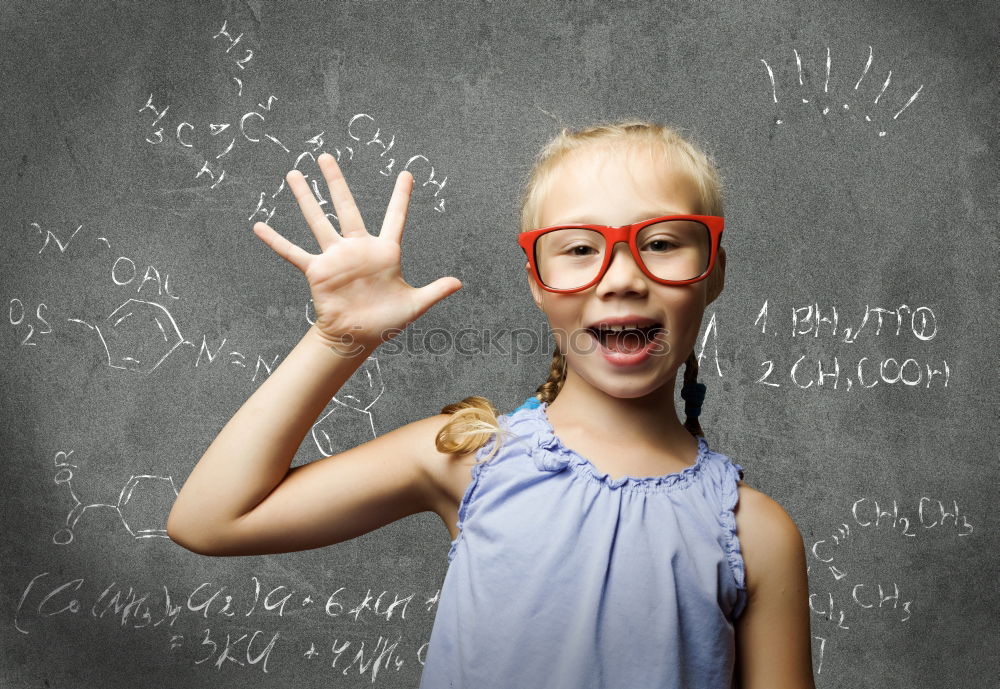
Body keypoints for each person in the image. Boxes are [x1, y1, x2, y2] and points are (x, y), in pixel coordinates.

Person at [167, 120, 815, 689]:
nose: (622, 277)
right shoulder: (472, 453)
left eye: (664, 242)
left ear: (715, 272)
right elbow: (210, 518)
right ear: (536, 280)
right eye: (580, 248)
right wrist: (339, 339)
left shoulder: (757, 534)